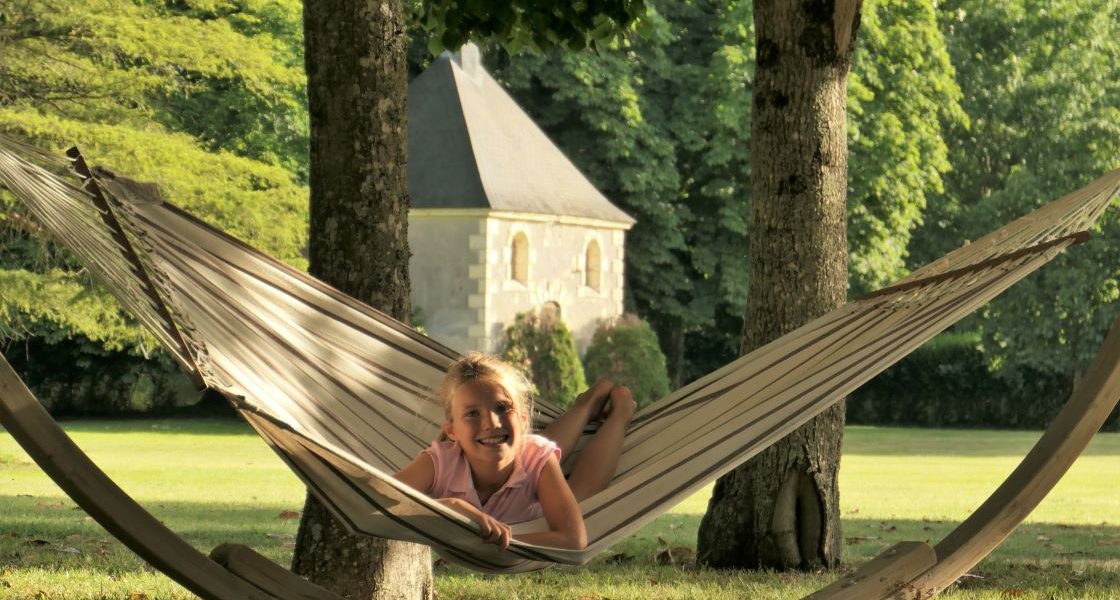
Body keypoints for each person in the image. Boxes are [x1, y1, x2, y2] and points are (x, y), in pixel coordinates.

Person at [394, 353, 635, 550]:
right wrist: (449, 506)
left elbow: (573, 538)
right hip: (525, 465)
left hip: (536, 506)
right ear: (452, 430)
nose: (491, 423)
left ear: (522, 419)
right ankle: (588, 404)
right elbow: (380, 498)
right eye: (472, 413)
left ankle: (620, 410)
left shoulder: (535, 455)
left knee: (575, 490)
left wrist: (491, 543)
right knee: (532, 449)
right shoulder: (439, 461)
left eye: (502, 408)